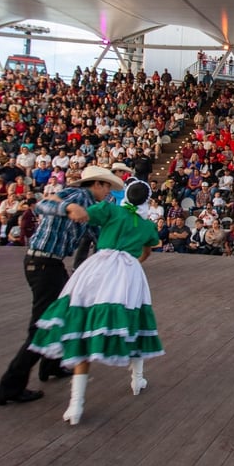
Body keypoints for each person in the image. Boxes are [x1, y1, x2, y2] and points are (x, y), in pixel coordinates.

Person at [28, 180, 163, 425]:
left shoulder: (111, 210)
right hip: (127, 272)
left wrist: (65, 204)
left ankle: (76, 405)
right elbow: (149, 249)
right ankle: (137, 379)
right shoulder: (146, 225)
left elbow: (85, 217)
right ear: (147, 200)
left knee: (83, 320)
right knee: (133, 320)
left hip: (98, 267)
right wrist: (134, 262)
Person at [0, 165, 121, 407]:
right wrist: (69, 207)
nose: (108, 193)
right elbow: (43, 205)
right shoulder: (78, 196)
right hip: (43, 264)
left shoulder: (90, 206)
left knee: (63, 312)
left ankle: (51, 365)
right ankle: (10, 386)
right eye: (107, 187)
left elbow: (98, 236)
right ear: (98, 184)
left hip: (48, 264)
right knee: (41, 325)